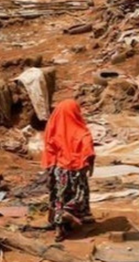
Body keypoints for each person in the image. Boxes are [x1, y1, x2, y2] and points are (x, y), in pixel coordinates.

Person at [43, 99, 96, 242]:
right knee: (77, 196)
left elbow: (49, 148)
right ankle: (66, 215)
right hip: (75, 171)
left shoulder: (53, 128)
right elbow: (88, 151)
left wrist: (50, 169)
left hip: (58, 170)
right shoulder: (82, 131)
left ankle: (59, 228)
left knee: (59, 197)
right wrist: (89, 166)